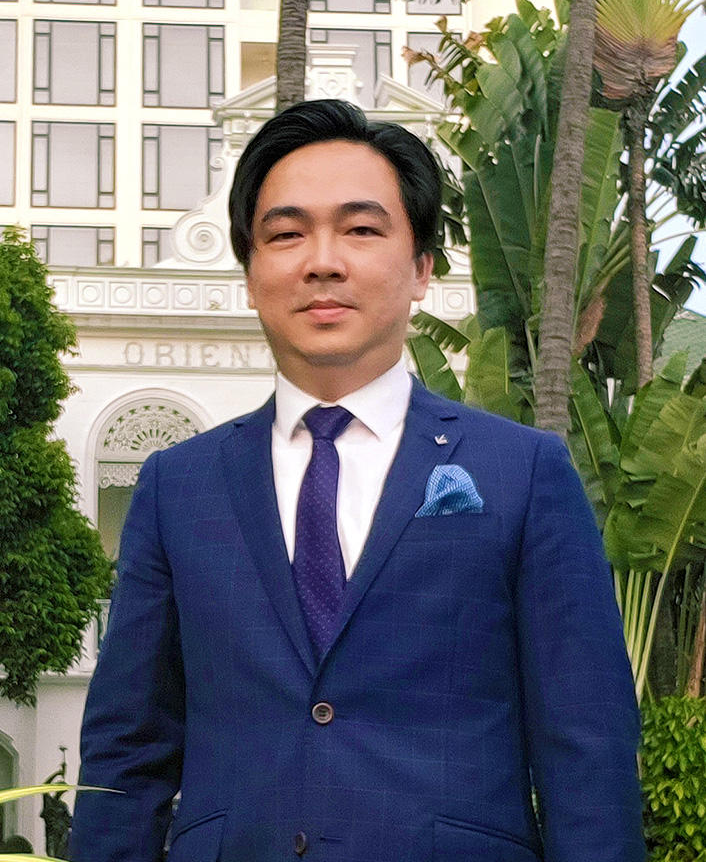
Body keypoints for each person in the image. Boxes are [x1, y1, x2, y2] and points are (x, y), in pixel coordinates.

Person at [70, 99, 645, 862]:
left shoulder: (523, 472)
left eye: (361, 229)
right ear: (250, 274)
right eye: (286, 234)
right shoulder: (177, 486)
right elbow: (127, 755)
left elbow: (587, 751)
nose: (322, 261)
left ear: (421, 269)